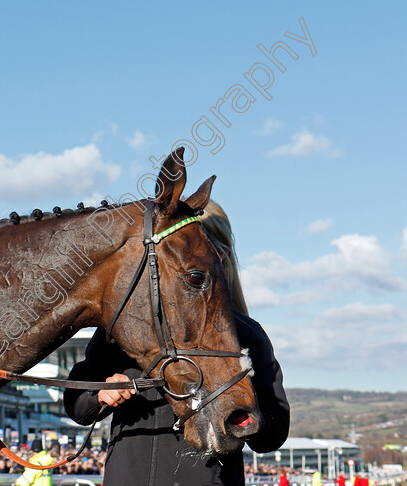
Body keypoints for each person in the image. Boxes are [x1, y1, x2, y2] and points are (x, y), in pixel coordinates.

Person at [64, 200, 290, 486]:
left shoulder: (248, 334)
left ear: (221, 255)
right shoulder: (126, 325)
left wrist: (243, 410)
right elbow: (76, 405)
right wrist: (101, 394)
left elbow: (274, 433)